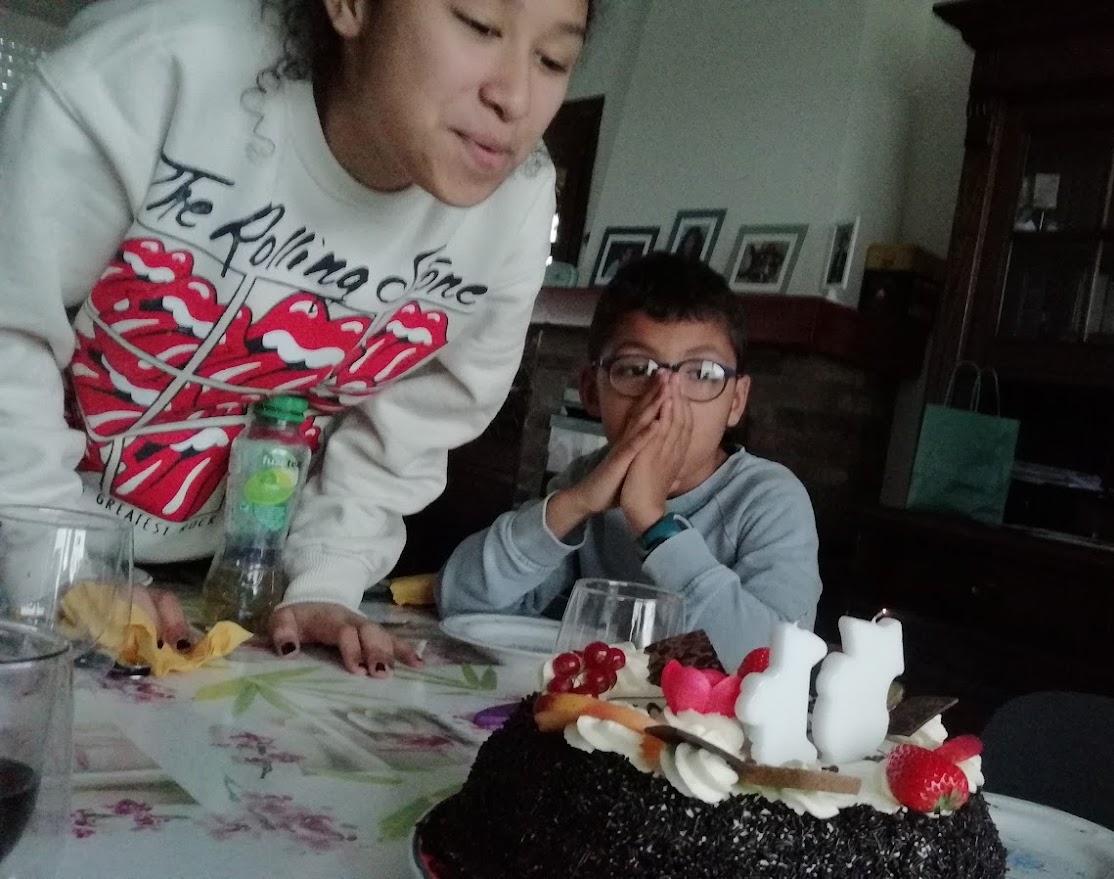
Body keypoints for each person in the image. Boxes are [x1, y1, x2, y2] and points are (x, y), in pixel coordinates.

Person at [0, 0, 593, 676]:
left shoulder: (516, 203)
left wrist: (325, 581)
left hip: (230, 576)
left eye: (553, 60)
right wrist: (61, 566)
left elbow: (408, 436)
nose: (514, 97)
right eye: (480, 26)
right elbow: (9, 332)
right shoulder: (153, 71)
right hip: (24, 528)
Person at [437, 253, 822, 670]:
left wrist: (653, 521)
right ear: (591, 391)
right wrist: (574, 503)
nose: (666, 399)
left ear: (736, 401)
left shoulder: (770, 499)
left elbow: (772, 663)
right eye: (637, 369)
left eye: (702, 373)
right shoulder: (589, 482)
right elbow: (462, 602)